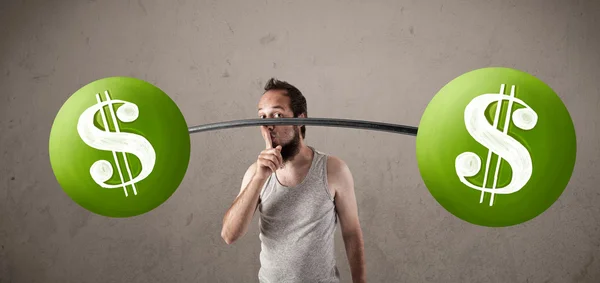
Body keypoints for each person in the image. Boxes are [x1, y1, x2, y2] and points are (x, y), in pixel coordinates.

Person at [220, 78, 367, 283]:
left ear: (300, 118)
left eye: (277, 115)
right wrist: (260, 177)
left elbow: (351, 232)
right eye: (263, 117)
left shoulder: (334, 170)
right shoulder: (255, 173)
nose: (269, 125)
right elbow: (229, 235)